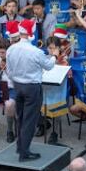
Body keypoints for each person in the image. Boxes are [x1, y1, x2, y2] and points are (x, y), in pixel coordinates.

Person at [6, 19, 58, 161]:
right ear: (31, 33)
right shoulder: (36, 51)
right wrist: (54, 56)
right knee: (29, 120)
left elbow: (9, 72)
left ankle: (20, 146)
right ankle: (25, 152)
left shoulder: (11, 49)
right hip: (32, 87)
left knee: (21, 117)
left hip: (17, 85)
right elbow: (48, 66)